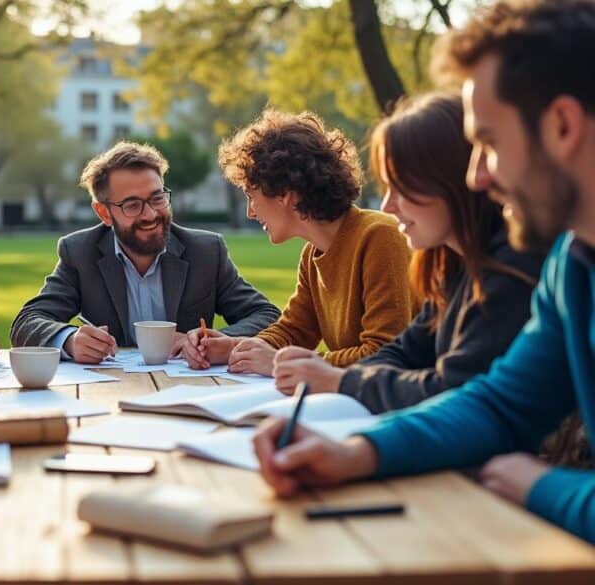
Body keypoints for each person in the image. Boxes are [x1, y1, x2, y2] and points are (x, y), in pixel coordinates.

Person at [252, 0, 595, 543]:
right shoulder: (573, 264)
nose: (476, 177)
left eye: (488, 143)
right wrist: (358, 452)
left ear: (562, 125)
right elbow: (498, 404)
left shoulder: (538, 264)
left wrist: (543, 488)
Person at [269, 93, 543, 409]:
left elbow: (452, 391)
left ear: (451, 179)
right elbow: (405, 351)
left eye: (402, 187)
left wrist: (339, 381)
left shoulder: (509, 270)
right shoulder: (451, 265)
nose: (388, 206)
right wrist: (331, 375)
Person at [10, 141, 280, 364]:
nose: (150, 214)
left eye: (157, 198)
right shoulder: (81, 253)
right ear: (104, 213)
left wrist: (215, 341)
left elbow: (267, 315)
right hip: (110, 394)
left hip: (189, 391)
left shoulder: (205, 251)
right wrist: (69, 340)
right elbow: (27, 322)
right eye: (132, 205)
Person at [193, 110, 415, 376]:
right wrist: (237, 347)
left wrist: (280, 362)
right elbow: (294, 330)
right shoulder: (313, 254)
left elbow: (383, 353)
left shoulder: (379, 238)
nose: (250, 212)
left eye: (251, 196)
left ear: (284, 194)